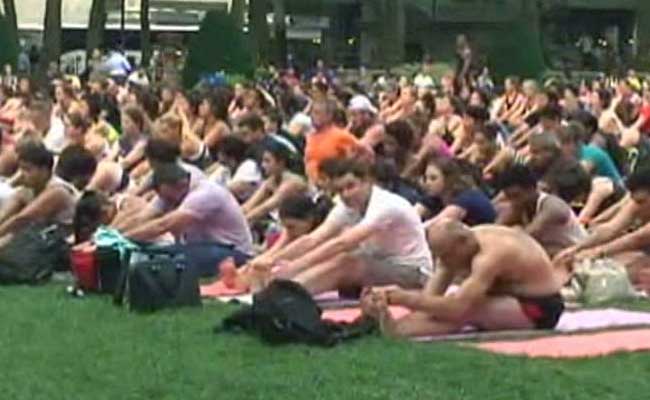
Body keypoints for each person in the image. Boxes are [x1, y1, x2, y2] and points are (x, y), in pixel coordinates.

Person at [252, 158, 433, 295]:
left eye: (351, 186)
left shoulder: (385, 205)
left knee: (346, 261)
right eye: (340, 190)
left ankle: (286, 293)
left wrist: (295, 266)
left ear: (367, 182)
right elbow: (313, 239)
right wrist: (272, 259)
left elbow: (343, 243)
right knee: (338, 258)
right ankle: (279, 287)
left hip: (412, 272)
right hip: (379, 264)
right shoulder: (346, 205)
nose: (346, 194)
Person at [361, 219, 566, 338]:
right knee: (447, 305)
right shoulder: (456, 247)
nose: (443, 261)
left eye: (446, 255)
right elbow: (429, 299)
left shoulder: (491, 255)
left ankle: (395, 331)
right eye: (439, 255)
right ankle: (392, 328)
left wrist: (402, 298)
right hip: (510, 299)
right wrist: (385, 300)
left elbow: (457, 308)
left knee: (467, 309)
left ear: (462, 243)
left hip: (540, 308)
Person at [124, 162, 253, 276]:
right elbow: (143, 218)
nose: (168, 204)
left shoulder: (204, 194)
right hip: (201, 247)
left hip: (233, 251)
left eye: (169, 199)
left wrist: (124, 239)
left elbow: (163, 225)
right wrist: (114, 234)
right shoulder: (171, 192)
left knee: (167, 258)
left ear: (182, 185)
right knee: (152, 251)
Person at [554, 167, 650, 285]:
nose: (638, 206)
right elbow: (611, 228)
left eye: (642, 201)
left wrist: (597, 253)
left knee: (631, 266)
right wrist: (576, 248)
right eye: (635, 201)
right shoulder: (636, 203)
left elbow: (637, 238)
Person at [0, 142, 93, 237]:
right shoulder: (27, 189)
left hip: (59, 243)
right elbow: (4, 215)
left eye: (27, 169)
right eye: (21, 169)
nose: (22, 174)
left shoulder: (58, 191)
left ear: (44, 170)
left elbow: (22, 219)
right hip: (40, 238)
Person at [497, 164, 586, 258]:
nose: (513, 202)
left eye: (516, 196)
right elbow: (495, 228)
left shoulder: (553, 207)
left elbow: (526, 238)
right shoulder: (519, 205)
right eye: (509, 197)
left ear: (532, 188)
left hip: (577, 254)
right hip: (552, 254)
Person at [416, 157, 495, 226]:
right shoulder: (435, 196)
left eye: (433, 178)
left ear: (448, 179)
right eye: (426, 178)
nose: (427, 183)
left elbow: (434, 224)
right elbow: (412, 215)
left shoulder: (466, 198)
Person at [242, 140, 307, 223]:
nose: (263, 165)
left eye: (267, 161)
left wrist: (242, 221)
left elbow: (265, 208)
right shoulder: (270, 181)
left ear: (281, 162)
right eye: (263, 161)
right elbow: (249, 205)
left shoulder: (292, 183)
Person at [304, 99, 366, 186]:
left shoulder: (340, 135)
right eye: (312, 113)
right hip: (311, 183)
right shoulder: (310, 136)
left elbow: (365, 151)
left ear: (329, 116)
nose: (312, 116)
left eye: (317, 113)